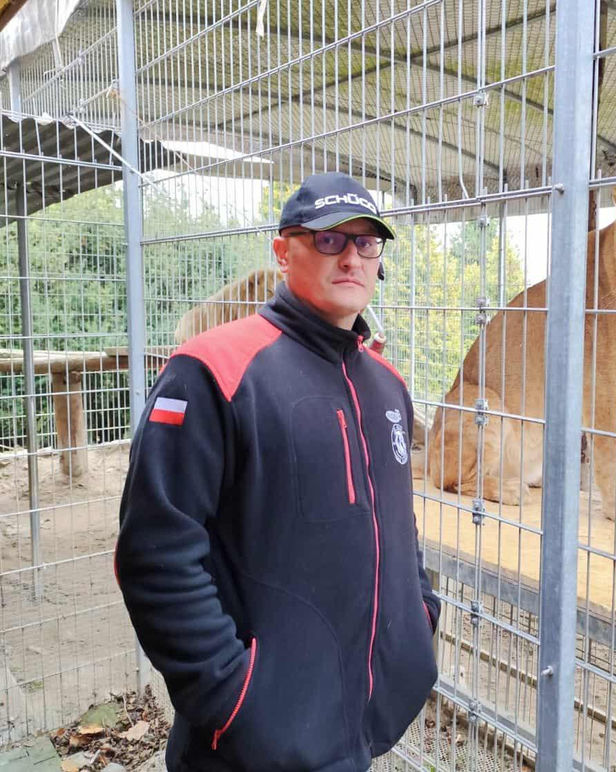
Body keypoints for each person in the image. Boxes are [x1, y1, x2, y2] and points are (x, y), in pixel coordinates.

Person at [115, 171, 440, 772]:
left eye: (367, 242)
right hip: (247, 746)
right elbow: (153, 555)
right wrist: (234, 700)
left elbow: (398, 526)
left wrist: (419, 620)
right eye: (328, 240)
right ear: (283, 251)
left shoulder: (387, 385)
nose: (351, 256)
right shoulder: (213, 370)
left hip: (357, 731)